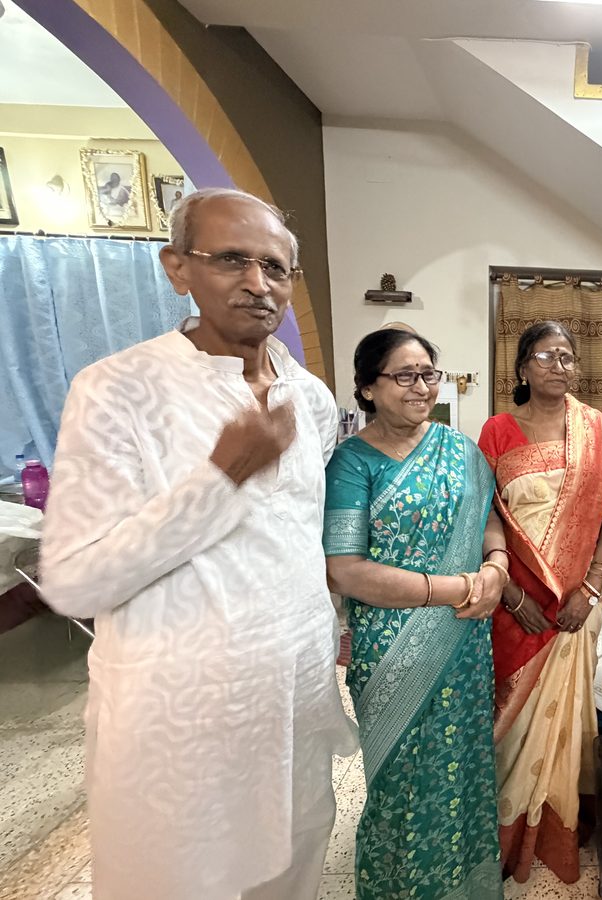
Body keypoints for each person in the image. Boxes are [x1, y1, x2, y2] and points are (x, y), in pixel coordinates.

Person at [38, 187, 356, 899]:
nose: (257, 282)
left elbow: (297, 543)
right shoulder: (118, 389)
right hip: (179, 728)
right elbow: (75, 580)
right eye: (232, 259)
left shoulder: (308, 397)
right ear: (176, 266)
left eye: (276, 267)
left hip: (292, 710)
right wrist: (222, 477)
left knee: (294, 869)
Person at [324, 327, 506, 900]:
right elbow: (345, 570)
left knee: (466, 768)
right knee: (402, 780)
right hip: (392, 649)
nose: (423, 387)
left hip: (465, 642)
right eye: (405, 376)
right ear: (368, 388)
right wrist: (450, 587)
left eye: (429, 374)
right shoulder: (352, 464)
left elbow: (489, 523)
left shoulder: (461, 449)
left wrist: (497, 567)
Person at [479, 320, 602, 884]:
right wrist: (515, 595)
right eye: (546, 356)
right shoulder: (497, 430)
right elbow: (485, 514)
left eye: (568, 357)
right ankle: (504, 832)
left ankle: (555, 829)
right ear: (521, 368)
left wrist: (591, 586)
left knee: (566, 721)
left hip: (576, 605)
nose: (559, 365)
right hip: (515, 605)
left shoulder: (596, 428)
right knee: (511, 728)